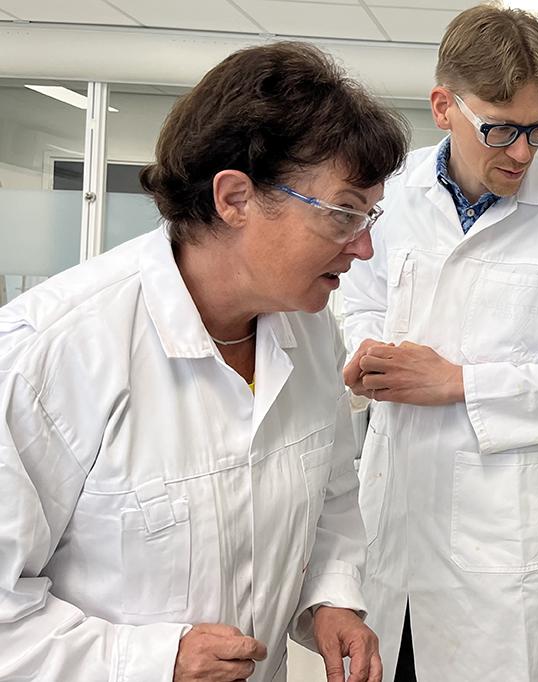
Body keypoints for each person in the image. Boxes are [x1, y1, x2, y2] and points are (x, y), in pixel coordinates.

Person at [0, 42, 408, 682]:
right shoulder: (52, 353)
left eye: (369, 214)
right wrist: (151, 661)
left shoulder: (310, 329)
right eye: (343, 213)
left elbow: (329, 493)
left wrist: (331, 601)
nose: (364, 246)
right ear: (235, 197)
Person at [340, 4, 538, 681]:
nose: (524, 153)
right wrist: (363, 353)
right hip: (392, 525)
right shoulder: (393, 191)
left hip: (504, 555)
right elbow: (354, 299)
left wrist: (462, 382)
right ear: (444, 106)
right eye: (502, 129)